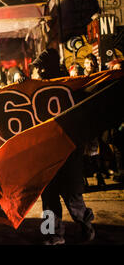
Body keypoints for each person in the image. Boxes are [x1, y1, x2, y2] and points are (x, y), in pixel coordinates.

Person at [31, 49, 95, 245]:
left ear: (48, 68)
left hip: (67, 154)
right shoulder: (36, 90)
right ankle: (53, 235)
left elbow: (85, 116)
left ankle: (86, 225)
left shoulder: (70, 88)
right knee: (49, 201)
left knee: (73, 200)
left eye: (41, 67)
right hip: (46, 155)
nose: (38, 71)